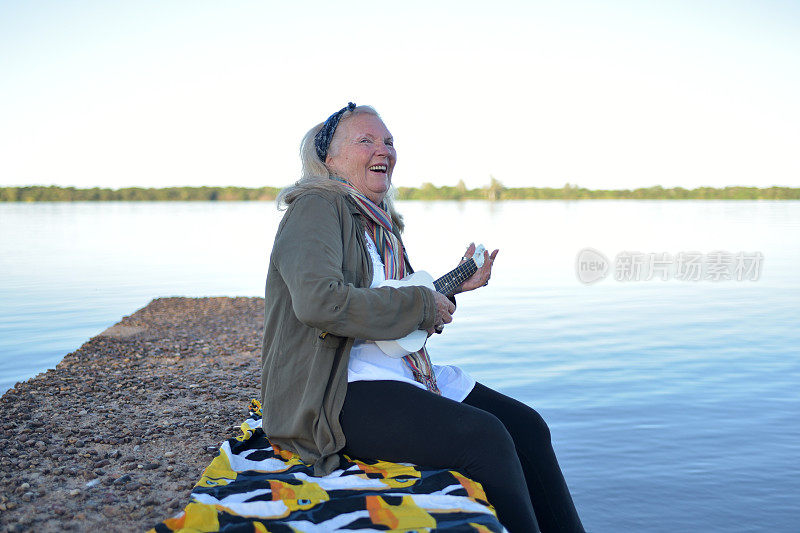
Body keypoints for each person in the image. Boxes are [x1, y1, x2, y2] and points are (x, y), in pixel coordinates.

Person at [261, 102, 585, 532]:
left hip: (395, 372)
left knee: (527, 426)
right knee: (485, 438)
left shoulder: (378, 224)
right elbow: (320, 302)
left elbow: (391, 305)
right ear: (328, 160)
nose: (384, 150)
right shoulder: (316, 207)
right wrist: (423, 305)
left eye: (389, 141)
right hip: (336, 390)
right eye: (366, 140)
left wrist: (452, 288)